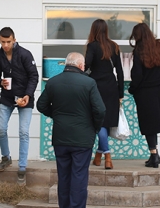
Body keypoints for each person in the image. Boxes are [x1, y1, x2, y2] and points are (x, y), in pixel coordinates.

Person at [37, 52, 105, 208]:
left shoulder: (53, 82)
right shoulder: (89, 83)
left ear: (67, 64)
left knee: (64, 177)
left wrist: (56, 115)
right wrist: (94, 127)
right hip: (82, 139)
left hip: (60, 137)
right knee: (79, 177)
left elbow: (41, 105)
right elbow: (100, 110)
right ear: (81, 66)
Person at [0, 27, 39, 185]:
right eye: (3, 42)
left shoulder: (25, 54)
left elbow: (34, 76)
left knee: (23, 132)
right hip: (7, 97)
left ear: (14, 40)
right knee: (0, 129)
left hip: (25, 98)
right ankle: (6, 157)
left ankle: (22, 167)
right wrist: (0, 82)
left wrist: (28, 95)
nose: (6, 45)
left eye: (8, 42)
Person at [128, 23, 160, 168]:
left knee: (149, 124)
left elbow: (137, 75)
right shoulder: (159, 47)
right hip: (159, 91)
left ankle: (154, 155)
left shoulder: (139, 51)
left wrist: (132, 89)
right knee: (155, 123)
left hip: (144, 92)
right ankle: (155, 153)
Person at [85, 19, 124, 170]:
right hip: (111, 86)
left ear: (93, 30)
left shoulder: (92, 46)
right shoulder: (113, 46)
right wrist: (120, 92)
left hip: (96, 86)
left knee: (99, 122)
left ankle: (107, 155)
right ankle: (99, 155)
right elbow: (119, 71)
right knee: (105, 122)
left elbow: (86, 65)